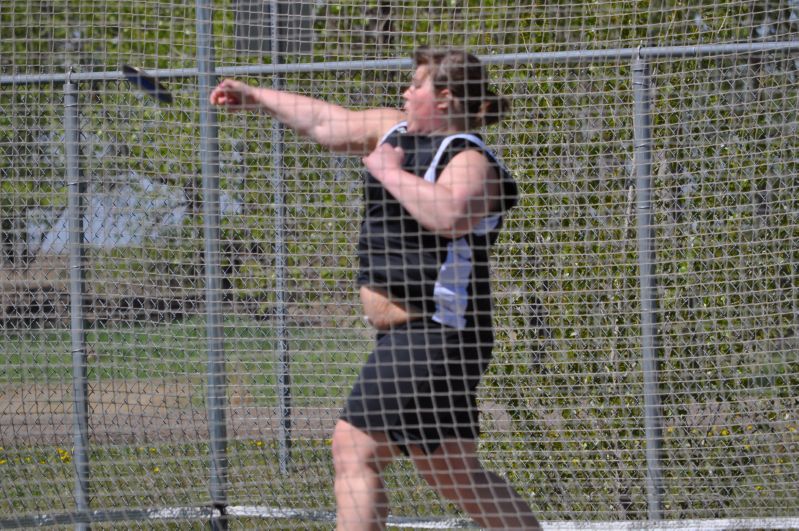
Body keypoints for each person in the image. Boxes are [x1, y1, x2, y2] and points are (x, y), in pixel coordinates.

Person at [210, 46, 541, 531]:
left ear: (445, 98)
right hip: (413, 339)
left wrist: (388, 172)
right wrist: (255, 95)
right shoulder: (393, 130)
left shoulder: (470, 159)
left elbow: (449, 217)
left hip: (434, 335)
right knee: (454, 476)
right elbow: (326, 122)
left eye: (416, 85)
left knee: (353, 449)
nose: (405, 92)